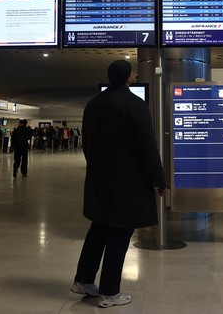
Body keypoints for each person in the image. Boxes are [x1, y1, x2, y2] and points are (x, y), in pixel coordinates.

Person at [70, 60, 167, 308]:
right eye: (132, 72)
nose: (134, 75)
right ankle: (110, 292)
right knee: (120, 234)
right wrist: (159, 178)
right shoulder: (135, 104)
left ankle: (83, 281)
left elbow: (87, 143)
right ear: (127, 78)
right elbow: (147, 145)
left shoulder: (94, 104)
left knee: (98, 229)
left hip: (99, 180)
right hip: (127, 181)